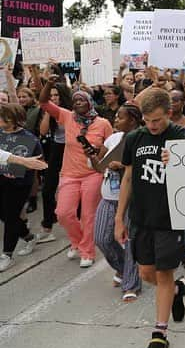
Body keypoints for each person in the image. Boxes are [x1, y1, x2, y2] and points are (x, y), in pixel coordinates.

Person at [114, 88, 185, 348]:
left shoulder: (183, 139)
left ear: (169, 114)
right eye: (147, 120)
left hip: (170, 220)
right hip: (141, 218)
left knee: (162, 273)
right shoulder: (135, 138)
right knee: (147, 273)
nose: (152, 125)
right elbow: (128, 179)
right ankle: (177, 289)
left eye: (157, 120)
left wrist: (182, 164)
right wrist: (119, 218)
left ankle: (159, 334)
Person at [40, 76, 113, 267]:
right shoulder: (67, 117)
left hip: (93, 174)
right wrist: (49, 83)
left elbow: (112, 149)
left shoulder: (103, 124)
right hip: (69, 175)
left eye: (82, 99)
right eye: (75, 100)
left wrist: (98, 153)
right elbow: (43, 102)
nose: (78, 102)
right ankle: (78, 242)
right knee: (63, 213)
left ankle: (87, 252)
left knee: (88, 215)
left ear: (89, 102)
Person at [89, 102, 143, 302]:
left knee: (130, 241)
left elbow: (144, 169)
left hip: (131, 199)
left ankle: (131, 284)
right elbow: (98, 167)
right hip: (108, 196)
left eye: (120, 117)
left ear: (133, 120)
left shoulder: (141, 139)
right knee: (102, 238)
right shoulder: (112, 138)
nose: (116, 120)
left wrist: (123, 166)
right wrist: (93, 157)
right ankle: (122, 269)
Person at [0, 104, 44, 271]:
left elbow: (35, 162)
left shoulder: (28, 138)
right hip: (1, 180)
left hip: (17, 183)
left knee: (11, 216)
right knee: (4, 215)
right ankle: (29, 236)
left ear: (10, 120)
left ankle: (7, 254)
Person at [36, 81, 71, 243]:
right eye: (51, 96)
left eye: (56, 95)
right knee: (48, 189)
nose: (54, 98)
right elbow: (43, 131)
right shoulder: (50, 111)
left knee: (72, 187)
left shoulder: (70, 111)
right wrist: (49, 111)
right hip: (57, 148)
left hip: (72, 149)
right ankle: (47, 226)